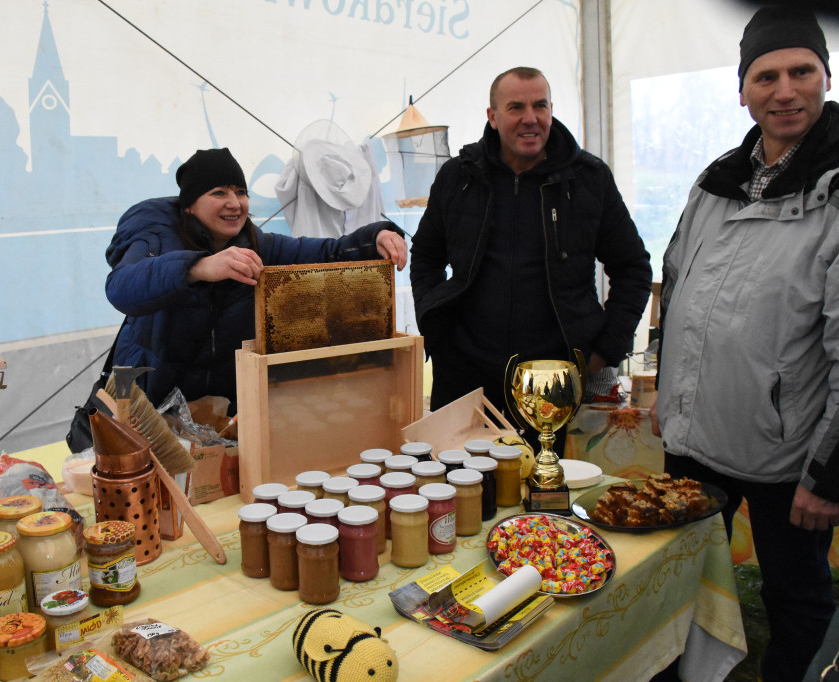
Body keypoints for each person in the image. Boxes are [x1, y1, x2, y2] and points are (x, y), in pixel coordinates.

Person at [653, 8, 839, 680]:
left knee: (796, 595)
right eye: (766, 75)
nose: (784, 90)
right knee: (677, 579)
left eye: (801, 72)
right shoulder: (716, 181)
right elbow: (672, 286)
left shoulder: (835, 191)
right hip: (696, 437)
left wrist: (829, 473)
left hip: (788, 455)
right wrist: (669, 393)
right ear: (742, 91)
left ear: (825, 77)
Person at [410, 66, 652, 432]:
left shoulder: (589, 179)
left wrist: (603, 352)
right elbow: (426, 255)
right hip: (465, 377)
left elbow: (633, 268)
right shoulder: (459, 176)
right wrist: (439, 334)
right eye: (516, 107)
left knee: (550, 486)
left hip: (556, 381)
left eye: (540, 106)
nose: (530, 119)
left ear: (551, 110)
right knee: (462, 485)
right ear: (492, 117)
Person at [104, 147, 407, 412]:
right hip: (148, 402)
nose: (234, 203)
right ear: (189, 205)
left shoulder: (258, 246)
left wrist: (374, 237)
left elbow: (328, 253)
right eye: (218, 193)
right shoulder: (157, 235)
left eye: (240, 192)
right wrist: (197, 267)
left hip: (222, 410)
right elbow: (122, 287)